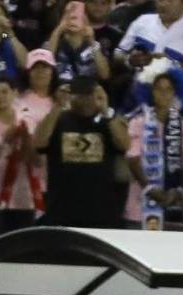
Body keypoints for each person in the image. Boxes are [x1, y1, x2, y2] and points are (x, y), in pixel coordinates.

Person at [34, 76, 130, 228]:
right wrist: (58, 106)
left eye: (88, 95)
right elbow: (39, 143)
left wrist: (105, 109)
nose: (84, 100)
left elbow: (124, 145)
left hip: (103, 212)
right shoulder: (58, 120)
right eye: (79, 95)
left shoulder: (108, 121)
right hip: (62, 211)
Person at [0, 75, 42, 240]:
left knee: (23, 250)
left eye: (5, 91)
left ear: (14, 94)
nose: (0, 96)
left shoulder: (28, 121)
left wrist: (25, 139)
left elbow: (36, 161)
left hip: (23, 196)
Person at [125, 71, 183, 229]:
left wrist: (179, 190)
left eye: (168, 89)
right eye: (159, 89)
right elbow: (133, 159)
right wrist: (149, 188)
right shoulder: (138, 122)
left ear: (174, 94)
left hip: (173, 202)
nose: (163, 94)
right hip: (141, 201)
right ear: (152, 92)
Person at [116, 0, 183, 89]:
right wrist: (129, 60)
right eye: (160, 0)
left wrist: (170, 65)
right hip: (135, 100)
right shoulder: (143, 21)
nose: (162, 4)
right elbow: (118, 53)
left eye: (169, 0)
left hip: (178, 105)